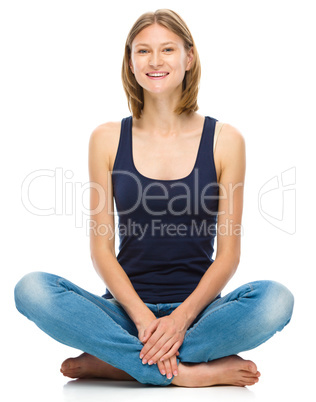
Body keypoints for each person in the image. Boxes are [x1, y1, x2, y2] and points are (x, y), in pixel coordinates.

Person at [14, 9, 294, 388]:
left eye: (167, 49)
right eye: (143, 51)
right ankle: (187, 372)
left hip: (199, 316)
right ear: (130, 63)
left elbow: (229, 256)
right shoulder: (107, 138)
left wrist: (178, 321)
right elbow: (101, 251)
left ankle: (117, 361)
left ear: (188, 57)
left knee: (276, 300)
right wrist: (145, 320)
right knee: (31, 289)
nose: (156, 61)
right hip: (126, 314)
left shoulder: (226, 140)